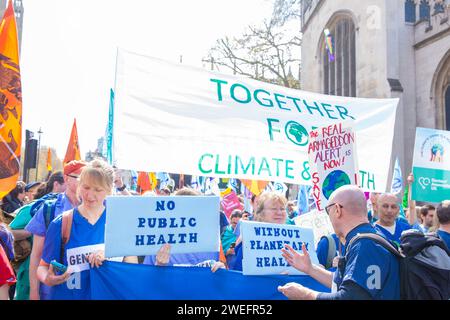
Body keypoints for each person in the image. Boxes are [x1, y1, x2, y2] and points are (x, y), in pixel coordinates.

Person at [36, 159, 137, 300]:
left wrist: (109, 255)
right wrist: (48, 279)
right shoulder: (62, 223)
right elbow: (43, 266)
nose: (90, 195)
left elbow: (131, 268)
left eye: (97, 190)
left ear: (108, 190)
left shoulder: (119, 223)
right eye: (86, 187)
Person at [278, 185, 400, 300]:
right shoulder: (368, 238)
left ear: (337, 209)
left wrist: (305, 294)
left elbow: (350, 297)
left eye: (328, 210)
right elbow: (347, 282)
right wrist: (310, 268)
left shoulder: (365, 244)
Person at [26, 160, 86, 300]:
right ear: (66, 178)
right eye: (79, 177)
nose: (84, 182)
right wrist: (34, 291)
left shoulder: (95, 208)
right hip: (52, 288)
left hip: (85, 289)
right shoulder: (49, 209)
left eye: (87, 178)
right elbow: (36, 255)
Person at [8, 171, 66, 300]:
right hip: (29, 273)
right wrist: (34, 230)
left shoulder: (71, 208)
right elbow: (8, 232)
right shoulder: (34, 208)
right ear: (57, 184)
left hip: (54, 276)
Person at [227, 192, 289, 271]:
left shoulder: (295, 238)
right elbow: (238, 273)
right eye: (274, 208)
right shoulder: (248, 236)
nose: (279, 212)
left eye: (282, 208)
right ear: (261, 213)